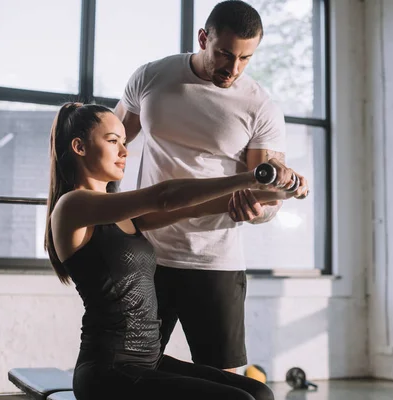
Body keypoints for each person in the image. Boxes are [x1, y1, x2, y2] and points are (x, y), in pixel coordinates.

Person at [44, 102, 306, 400]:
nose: (124, 151)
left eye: (124, 142)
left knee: (259, 392)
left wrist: (282, 190)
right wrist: (253, 176)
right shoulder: (72, 206)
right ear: (79, 147)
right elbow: (165, 196)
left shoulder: (123, 214)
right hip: (108, 370)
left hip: (148, 360)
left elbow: (196, 206)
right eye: (112, 141)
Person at [114, 0, 308, 373]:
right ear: (203, 39)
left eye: (245, 59)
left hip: (214, 261)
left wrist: (259, 213)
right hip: (146, 254)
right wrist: (107, 218)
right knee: (132, 371)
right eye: (224, 53)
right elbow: (111, 146)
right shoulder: (152, 77)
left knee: (225, 383)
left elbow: (267, 193)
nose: (233, 68)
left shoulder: (260, 107)